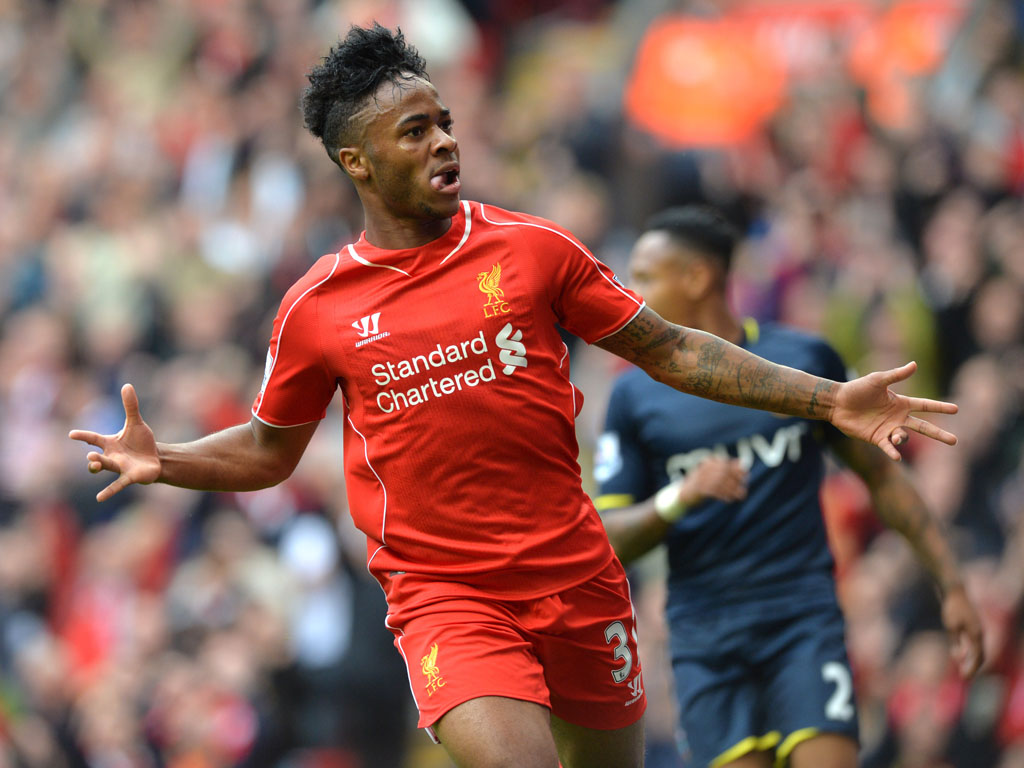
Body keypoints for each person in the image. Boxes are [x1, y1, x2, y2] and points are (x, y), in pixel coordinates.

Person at [70, 25, 964, 768]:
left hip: (577, 579)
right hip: (446, 598)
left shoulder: (534, 251)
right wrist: (166, 460)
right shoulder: (319, 307)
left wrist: (827, 400)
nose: (443, 142)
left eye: (444, 123)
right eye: (413, 132)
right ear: (357, 162)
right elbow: (270, 451)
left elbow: (673, 349)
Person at [593, 205, 985, 768]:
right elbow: (608, 536)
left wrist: (953, 584)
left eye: (647, 276)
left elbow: (883, 479)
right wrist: (679, 497)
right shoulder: (634, 396)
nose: (633, 292)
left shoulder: (803, 361)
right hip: (705, 639)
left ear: (698, 277)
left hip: (801, 620)